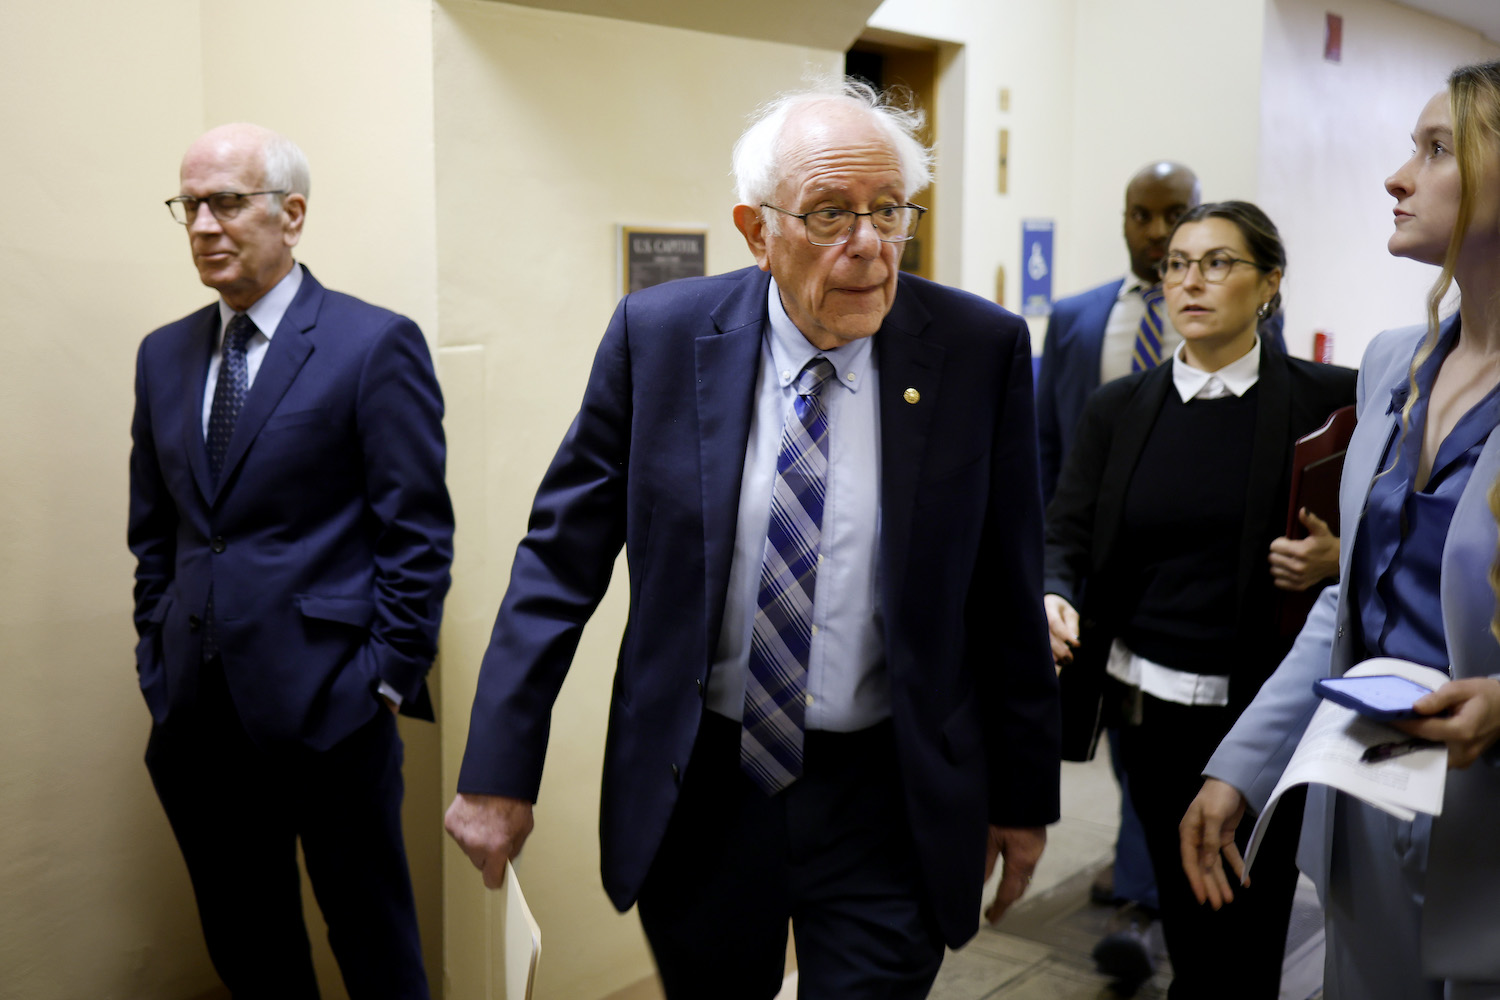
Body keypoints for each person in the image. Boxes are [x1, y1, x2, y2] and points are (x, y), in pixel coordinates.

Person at [444, 80, 1061, 998]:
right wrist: (500, 768)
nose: (869, 245)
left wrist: (1021, 796)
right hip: (706, 786)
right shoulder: (658, 339)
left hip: (886, 792)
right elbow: (558, 560)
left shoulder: (977, 350)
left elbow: (1006, 588)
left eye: (888, 211)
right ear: (754, 230)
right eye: (829, 214)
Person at [1181, 60, 1500, 1000]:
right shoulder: (1394, 365)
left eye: (1436, 149)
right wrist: (1241, 764)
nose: (1398, 177)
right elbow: (1344, 604)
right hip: (1368, 795)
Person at [129, 123, 453, 999]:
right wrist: (155, 661)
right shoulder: (164, 355)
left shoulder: (372, 344)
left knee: (372, 939)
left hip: (332, 708)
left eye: (227, 202)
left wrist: (383, 680)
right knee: (249, 943)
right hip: (197, 712)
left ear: (292, 214)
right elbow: (155, 533)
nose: (203, 225)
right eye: (189, 205)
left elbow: (416, 535)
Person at [1045, 201, 1356, 998]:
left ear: (1269, 284)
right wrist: (1053, 592)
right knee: (1188, 919)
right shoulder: (1119, 408)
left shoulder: (1330, 403)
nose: (1190, 281)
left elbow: (1393, 538)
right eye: (1177, 265)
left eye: (1218, 263)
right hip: (1147, 712)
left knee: (1250, 927)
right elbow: (1067, 533)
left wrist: (1337, 556)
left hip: (1262, 711)